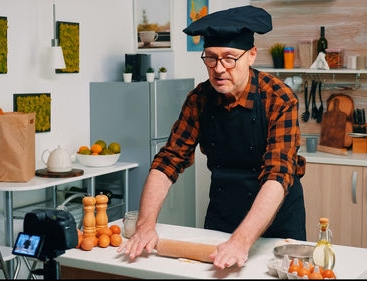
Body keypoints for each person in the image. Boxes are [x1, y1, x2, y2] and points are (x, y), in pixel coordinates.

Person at [117, 5, 306, 269]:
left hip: (277, 224)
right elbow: (167, 162)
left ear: (251, 55)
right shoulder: (199, 99)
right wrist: (145, 227)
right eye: (210, 58)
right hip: (223, 217)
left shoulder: (279, 98)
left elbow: (278, 174)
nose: (218, 68)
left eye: (229, 58)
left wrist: (241, 241)